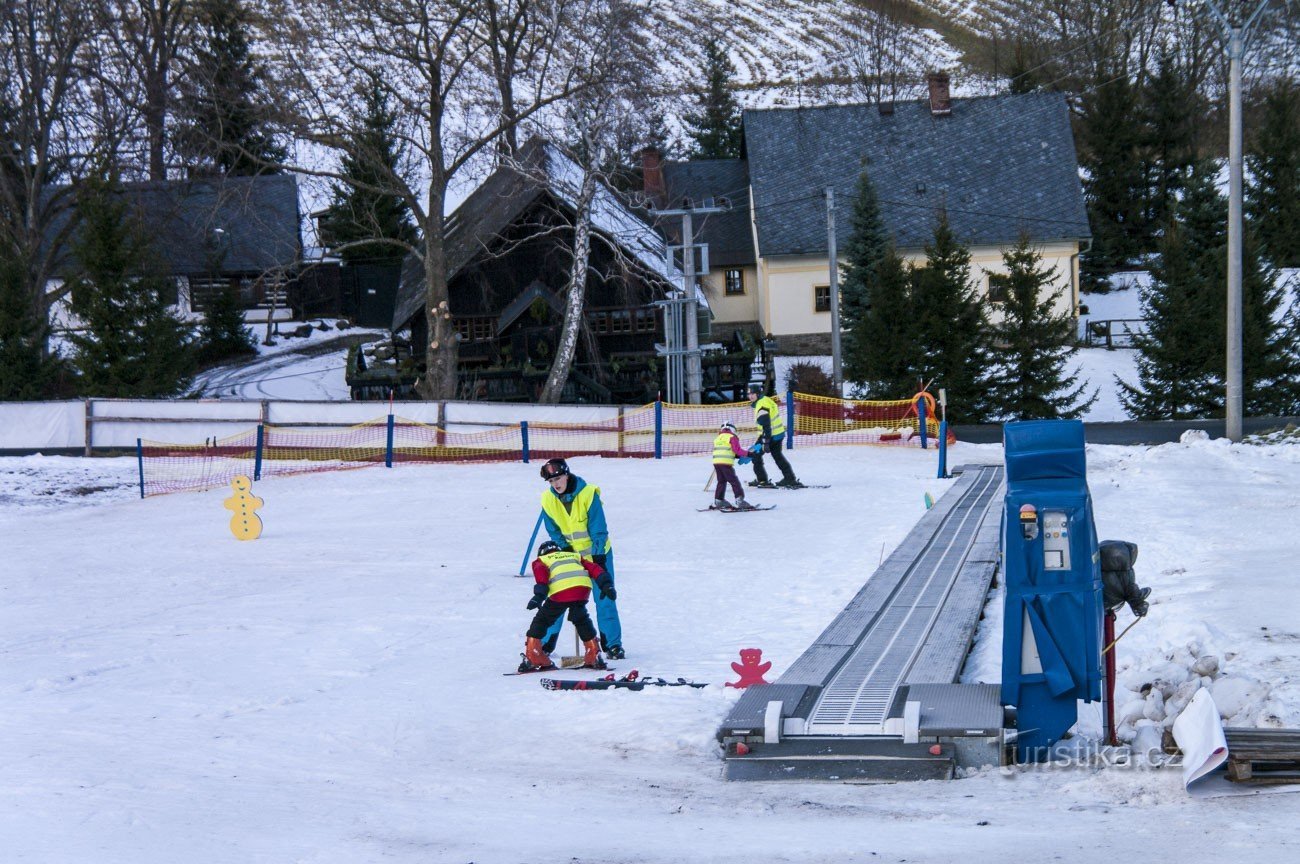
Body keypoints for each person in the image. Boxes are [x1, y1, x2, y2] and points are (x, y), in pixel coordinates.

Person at [538, 457, 625, 659]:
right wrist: (566, 550)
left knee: (604, 597)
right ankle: (544, 645)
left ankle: (612, 644)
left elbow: (598, 529)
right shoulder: (547, 500)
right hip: (569, 556)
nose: (556, 484)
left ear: (567, 475)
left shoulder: (588, 494)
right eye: (551, 481)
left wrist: (598, 556)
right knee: (559, 597)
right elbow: (553, 530)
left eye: (558, 478)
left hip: (597, 554)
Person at [518, 540, 614, 673]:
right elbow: (594, 568)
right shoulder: (573, 556)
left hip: (561, 592)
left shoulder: (541, 560)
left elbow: (542, 576)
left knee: (542, 620)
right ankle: (593, 653)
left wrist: (539, 596)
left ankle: (534, 655)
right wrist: (606, 584)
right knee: (581, 619)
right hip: (582, 590)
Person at [746, 383, 801, 488]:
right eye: (749, 394)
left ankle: (762, 480)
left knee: (755, 456)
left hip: (769, 435)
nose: (751, 396)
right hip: (777, 434)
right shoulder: (765, 399)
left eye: (753, 394)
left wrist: (766, 441)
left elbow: (766, 426)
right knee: (777, 456)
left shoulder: (761, 406)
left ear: (758, 394)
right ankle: (789, 478)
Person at [710, 422, 757, 511]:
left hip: (716, 462)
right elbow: (737, 450)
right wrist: (749, 454)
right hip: (725, 463)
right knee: (734, 481)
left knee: (721, 481)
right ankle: (740, 501)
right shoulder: (732, 437)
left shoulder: (718, 438)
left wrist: (738, 456)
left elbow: (726, 450)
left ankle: (719, 500)